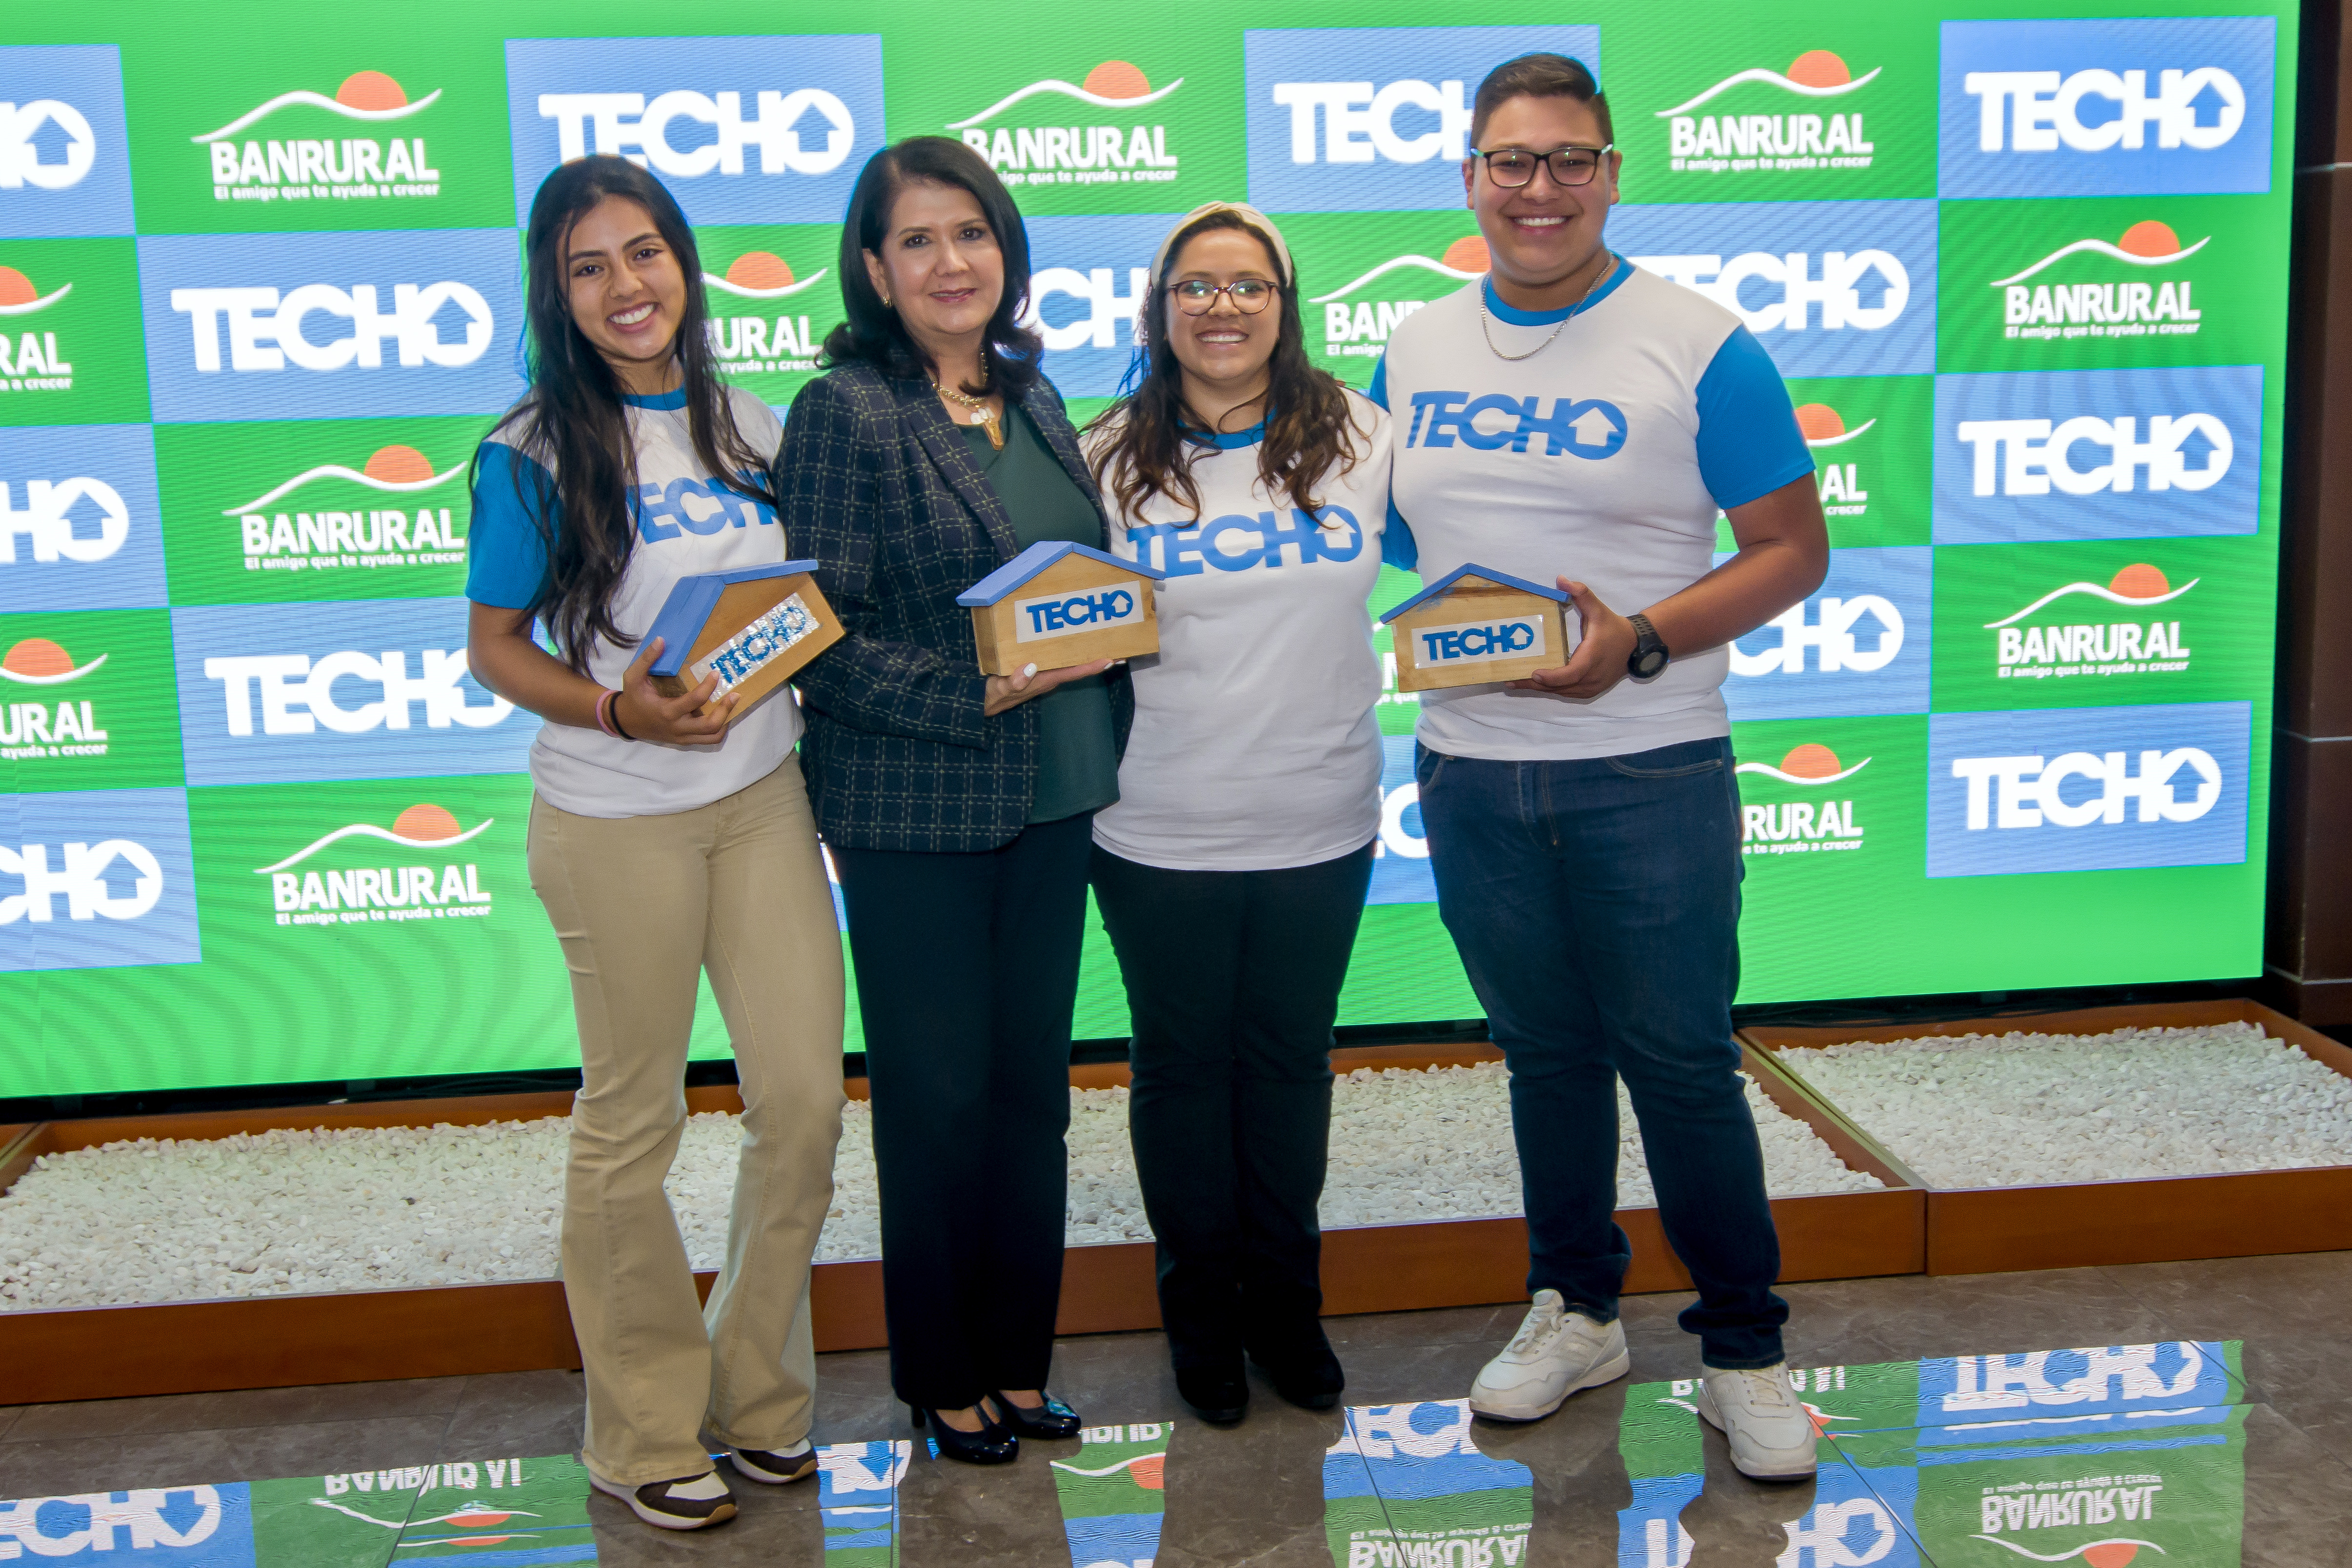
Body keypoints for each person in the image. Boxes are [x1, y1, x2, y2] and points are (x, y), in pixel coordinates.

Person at [1372, 55, 1830, 1479]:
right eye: (1511, 161)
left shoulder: (1698, 343)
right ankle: (1575, 1307)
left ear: (1612, 173)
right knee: (1544, 1059)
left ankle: (1745, 1353)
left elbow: (1791, 551)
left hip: (1647, 767)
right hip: (1470, 768)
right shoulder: (1413, 344)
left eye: (1570, 159)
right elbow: (1399, 552)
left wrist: (1632, 639)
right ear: (1469, 179)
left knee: (1681, 1065)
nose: (1539, 188)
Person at [462, 155, 846, 1530]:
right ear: (556, 296)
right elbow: (493, 647)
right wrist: (619, 706)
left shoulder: (752, 421)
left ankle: (756, 1399)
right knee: (633, 1122)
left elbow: (788, 603)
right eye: (588, 266)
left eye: (645, 254)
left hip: (760, 799)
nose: (626, 286)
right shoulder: (530, 451)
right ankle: (637, 1427)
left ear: (684, 264)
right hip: (611, 815)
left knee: (800, 1103)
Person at [776, 136, 1125, 1466]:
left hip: (1056, 792)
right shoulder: (843, 411)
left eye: (969, 232)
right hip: (913, 804)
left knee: (1031, 1091)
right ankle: (941, 1371)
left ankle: (1017, 1361)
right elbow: (813, 627)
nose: (948, 261)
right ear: (872, 266)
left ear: (1005, 249)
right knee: (936, 1091)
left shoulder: (1032, 396)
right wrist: (964, 693)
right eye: (914, 239)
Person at [1083, 203, 1389, 1425]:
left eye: (1248, 283)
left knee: (1285, 1066)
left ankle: (1287, 1308)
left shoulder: (1365, 433)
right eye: (1194, 286)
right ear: (1159, 309)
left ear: (1285, 299)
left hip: (1322, 813)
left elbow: (1478, 541)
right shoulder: (1104, 450)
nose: (1222, 305)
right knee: (1179, 1069)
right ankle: (1199, 1319)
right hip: (1156, 820)